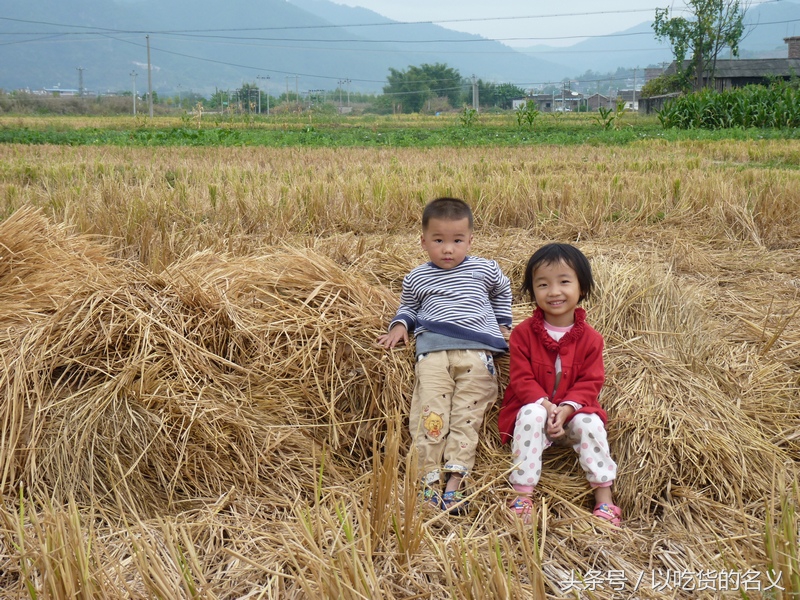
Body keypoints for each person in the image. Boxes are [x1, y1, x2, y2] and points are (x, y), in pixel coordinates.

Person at [377, 197, 512, 515]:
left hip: (476, 354)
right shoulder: (417, 277)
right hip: (434, 352)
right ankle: (428, 483)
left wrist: (503, 323)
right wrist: (399, 325)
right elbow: (409, 306)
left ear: (470, 240)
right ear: (424, 241)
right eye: (439, 241)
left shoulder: (485, 269)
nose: (448, 249)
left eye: (457, 241)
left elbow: (502, 291)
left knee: (467, 416)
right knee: (430, 415)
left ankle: (455, 484)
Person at [497, 243, 621, 526]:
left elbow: (591, 381)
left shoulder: (591, 338)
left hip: (573, 412)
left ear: (582, 288)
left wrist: (565, 409)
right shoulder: (523, 334)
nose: (553, 292)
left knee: (591, 424)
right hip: (536, 409)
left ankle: (604, 498)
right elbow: (521, 379)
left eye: (564, 282)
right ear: (532, 291)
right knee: (531, 414)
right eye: (543, 284)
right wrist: (546, 405)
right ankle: (522, 493)